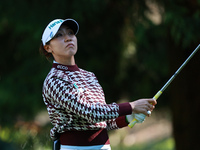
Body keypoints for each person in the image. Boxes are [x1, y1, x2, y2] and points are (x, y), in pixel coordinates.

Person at [40, 18, 157, 150]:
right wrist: (131, 106)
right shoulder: (54, 80)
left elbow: (103, 121)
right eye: (59, 35)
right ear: (48, 47)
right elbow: (90, 112)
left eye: (71, 33)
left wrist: (129, 117)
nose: (68, 38)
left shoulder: (89, 76)